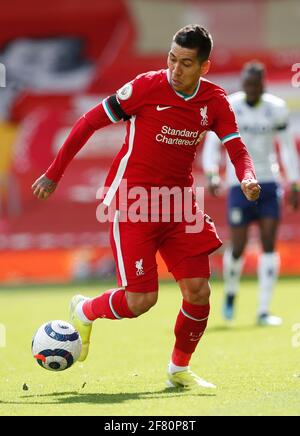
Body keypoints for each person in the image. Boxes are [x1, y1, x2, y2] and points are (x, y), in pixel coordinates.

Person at [32, 25, 260, 389]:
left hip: (179, 206)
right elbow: (89, 121)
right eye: (172, 58)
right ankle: (86, 309)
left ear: (204, 66)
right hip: (132, 203)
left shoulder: (214, 101)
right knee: (141, 301)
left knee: (199, 292)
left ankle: (178, 370)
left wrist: (246, 175)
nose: (175, 69)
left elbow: (236, 147)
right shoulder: (144, 87)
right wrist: (53, 173)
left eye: (186, 63)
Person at [202, 61, 299, 326]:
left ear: (262, 85)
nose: (251, 89)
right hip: (238, 183)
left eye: (255, 85)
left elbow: (287, 148)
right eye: (247, 85)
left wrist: (295, 182)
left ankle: (264, 310)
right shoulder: (231, 106)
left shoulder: (276, 108)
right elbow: (213, 142)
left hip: (269, 182)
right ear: (243, 85)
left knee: (269, 242)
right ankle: (231, 294)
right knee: (239, 247)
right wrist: (212, 172)